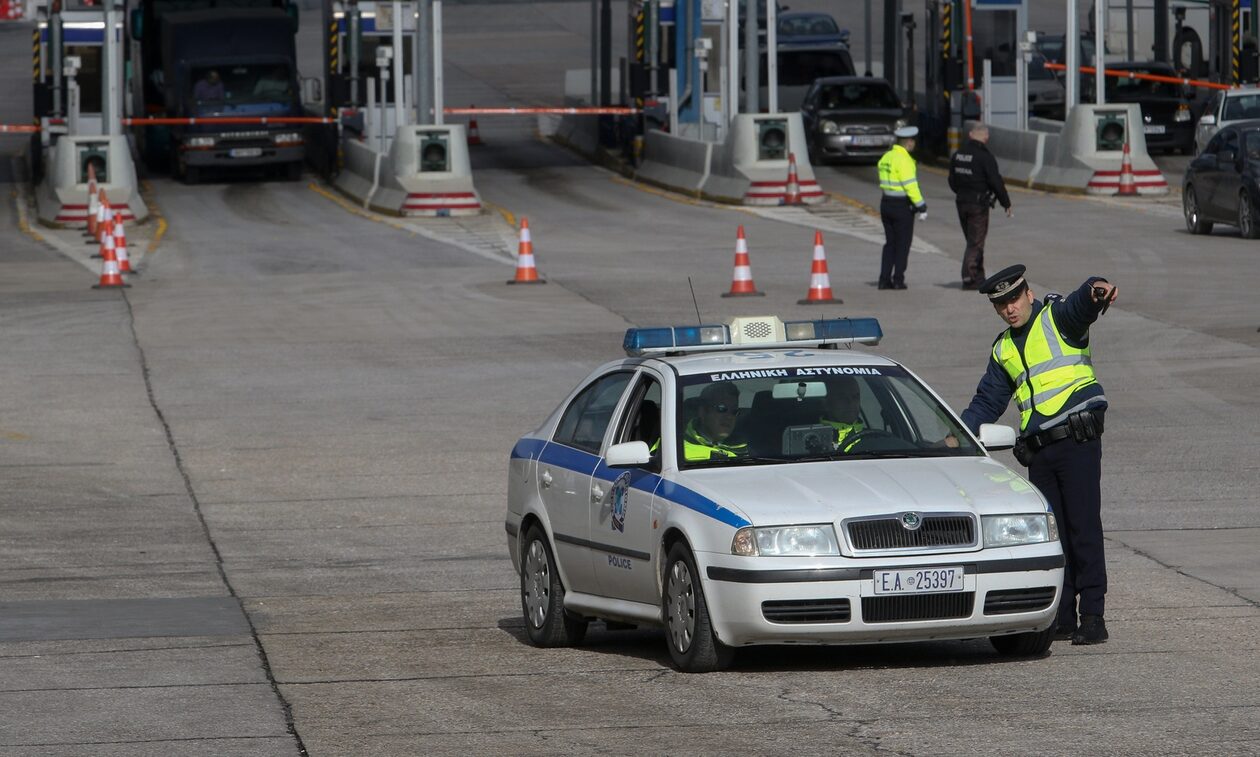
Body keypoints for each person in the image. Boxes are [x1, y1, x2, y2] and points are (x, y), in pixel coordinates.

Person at [960, 264, 1118, 646]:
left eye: (1014, 299)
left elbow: (1082, 305)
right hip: (1040, 452)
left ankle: (1093, 616)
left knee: (1083, 528)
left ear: (1028, 294)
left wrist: (1096, 288)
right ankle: (1062, 616)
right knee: (1055, 537)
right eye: (1001, 304)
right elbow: (986, 403)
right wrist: (956, 436)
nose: (1009, 309)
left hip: (1077, 443)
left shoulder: (1056, 318)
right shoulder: (1003, 349)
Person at [948, 122, 1012, 289]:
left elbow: (952, 181)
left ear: (970, 135)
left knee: (973, 241)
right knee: (975, 242)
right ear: (986, 137)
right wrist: (1006, 203)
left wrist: (962, 193)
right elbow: (996, 182)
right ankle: (969, 277)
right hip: (978, 205)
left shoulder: (958, 154)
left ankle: (979, 276)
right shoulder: (985, 157)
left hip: (961, 202)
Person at [876, 125, 927, 290]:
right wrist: (921, 206)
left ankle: (884, 280)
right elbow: (910, 186)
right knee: (903, 244)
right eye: (913, 141)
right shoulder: (904, 160)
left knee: (890, 243)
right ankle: (898, 279)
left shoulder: (886, 157)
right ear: (909, 142)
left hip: (886, 203)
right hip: (902, 207)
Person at [683, 382, 748, 462]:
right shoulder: (675, 448)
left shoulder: (750, 452)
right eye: (721, 409)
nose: (729, 416)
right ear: (702, 412)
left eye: (734, 411)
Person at [819, 376, 864, 448]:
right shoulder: (816, 442)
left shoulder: (875, 439)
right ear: (826, 404)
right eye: (842, 398)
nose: (850, 402)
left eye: (855, 397)